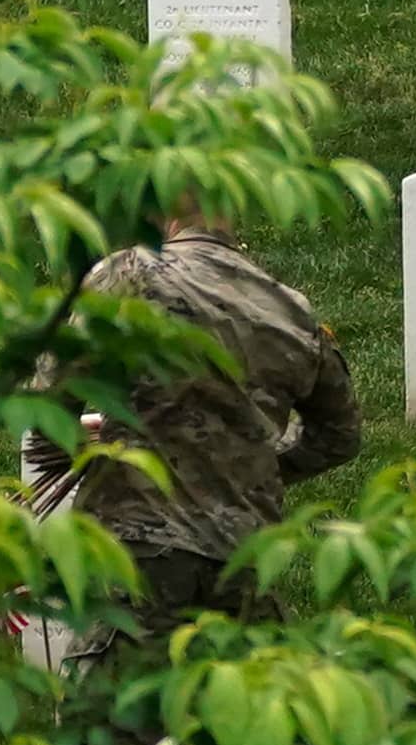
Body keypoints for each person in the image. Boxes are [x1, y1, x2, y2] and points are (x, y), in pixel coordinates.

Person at [20, 200, 361, 631]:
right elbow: (340, 435)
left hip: (140, 547)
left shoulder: (127, 276)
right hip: (244, 549)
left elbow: (50, 404)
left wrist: (86, 451)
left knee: (115, 693)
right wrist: (245, 467)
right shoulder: (290, 309)